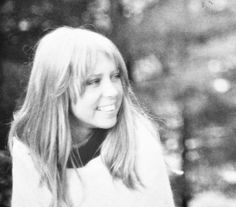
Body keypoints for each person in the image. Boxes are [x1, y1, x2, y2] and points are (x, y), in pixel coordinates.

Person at [8, 26, 175, 207]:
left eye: (115, 76)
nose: (112, 92)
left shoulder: (139, 142)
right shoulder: (29, 147)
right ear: (58, 88)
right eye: (94, 81)